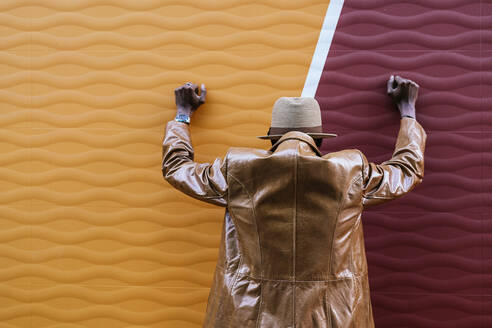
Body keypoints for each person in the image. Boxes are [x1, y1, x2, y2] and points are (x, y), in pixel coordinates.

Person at [162, 75, 426, 327]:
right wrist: (407, 111)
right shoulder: (351, 171)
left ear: (272, 138)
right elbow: (406, 170)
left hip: (248, 315)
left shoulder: (237, 169)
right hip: (334, 316)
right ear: (320, 140)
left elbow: (177, 168)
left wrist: (183, 115)